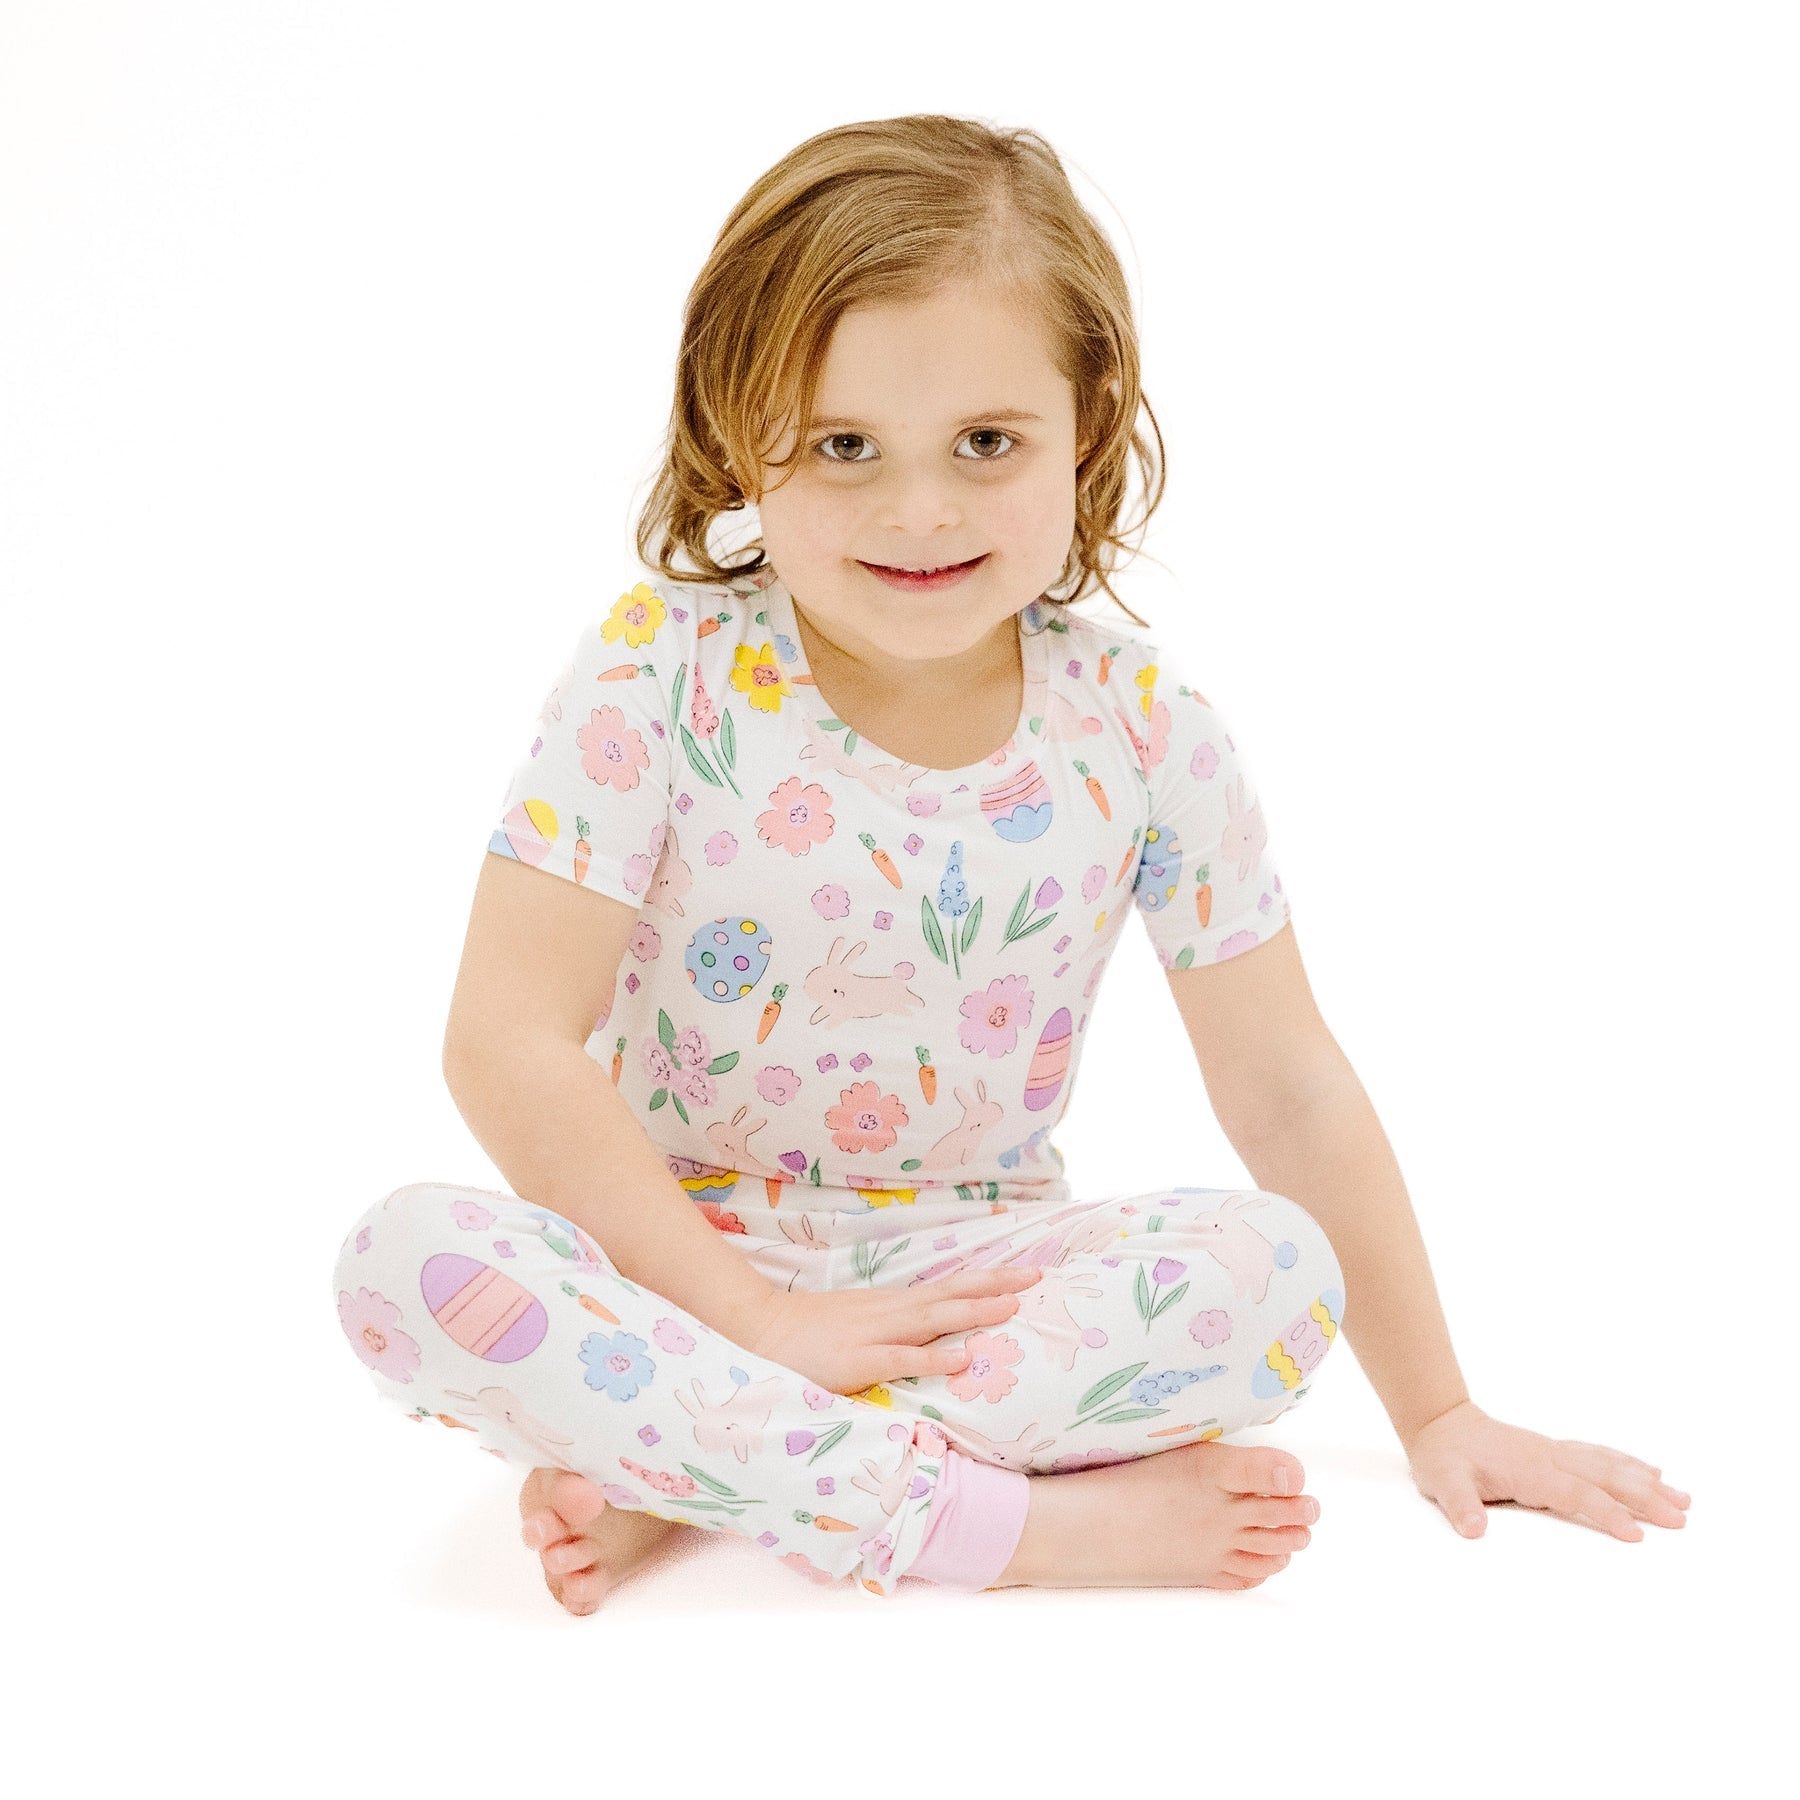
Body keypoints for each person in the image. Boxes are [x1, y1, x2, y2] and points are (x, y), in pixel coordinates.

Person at [331, 114, 1690, 1614]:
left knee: (1276, 1268)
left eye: (987, 443)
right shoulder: (657, 669)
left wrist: (1439, 1411)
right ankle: (1004, 1529)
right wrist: (752, 1319)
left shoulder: (1145, 725)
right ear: (737, 429)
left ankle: (695, 1468)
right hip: (670, 1268)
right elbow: (506, 1042)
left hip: (976, 1285)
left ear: (1088, 426)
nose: (920, 509)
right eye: (844, 445)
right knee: (406, 1259)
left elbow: (1288, 1086)